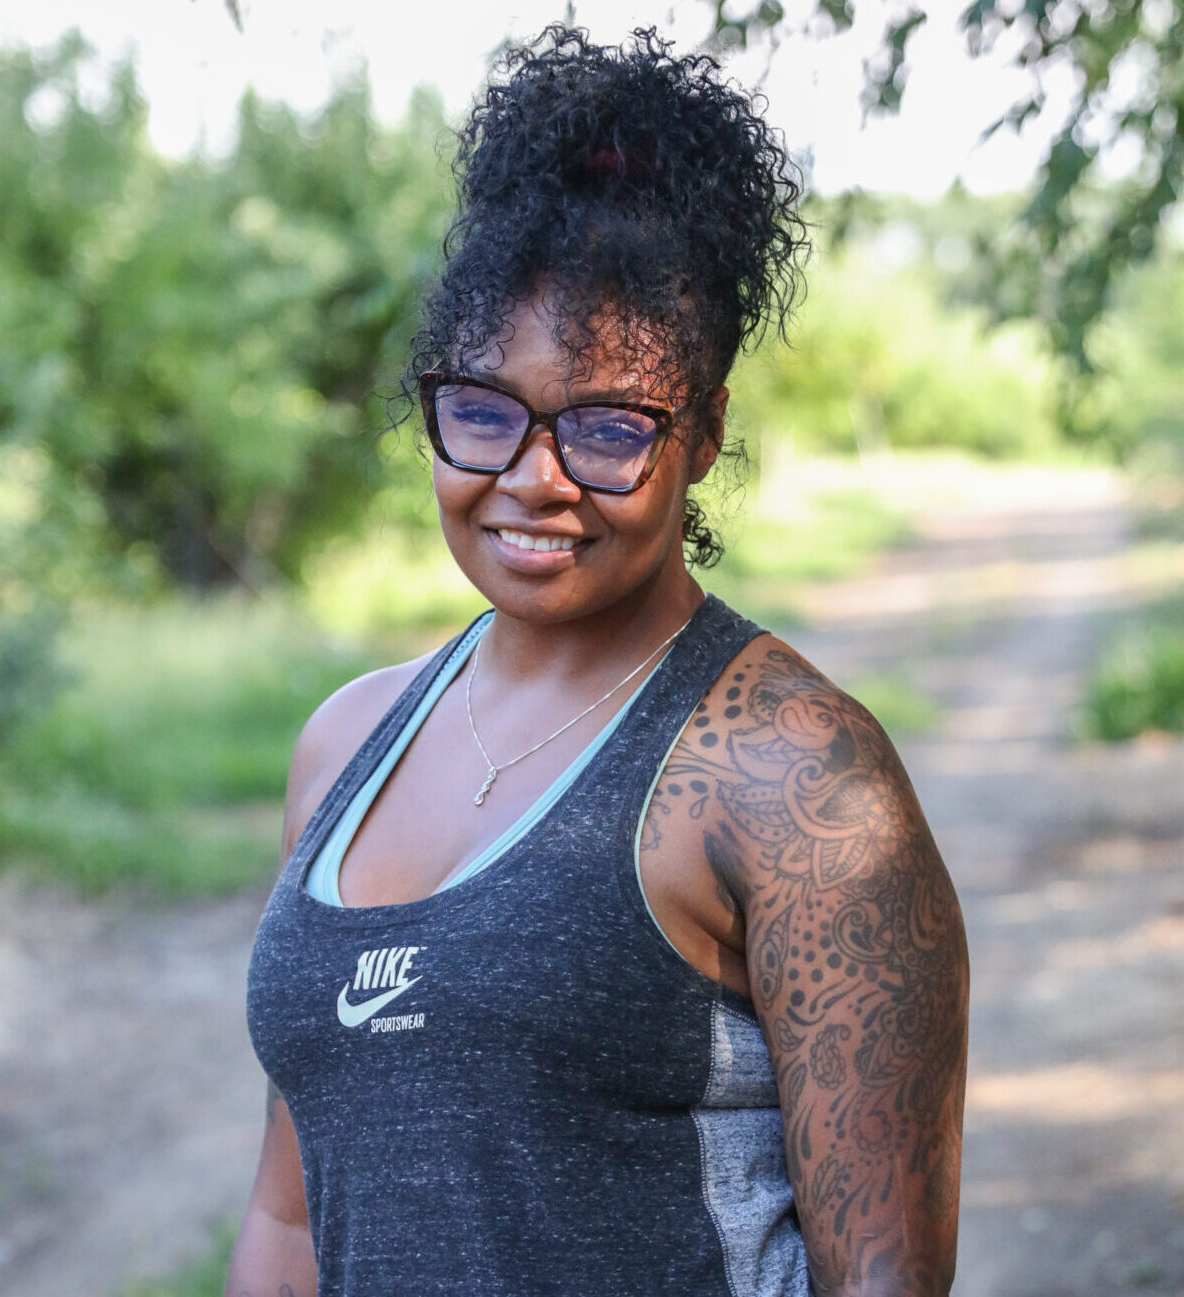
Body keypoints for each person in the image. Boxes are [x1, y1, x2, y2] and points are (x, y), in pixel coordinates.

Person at [228, 25, 968, 1297]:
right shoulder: (344, 745)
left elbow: (885, 1284)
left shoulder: (794, 775)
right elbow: (291, 1225)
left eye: (607, 427)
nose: (535, 478)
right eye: (482, 412)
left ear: (704, 431)